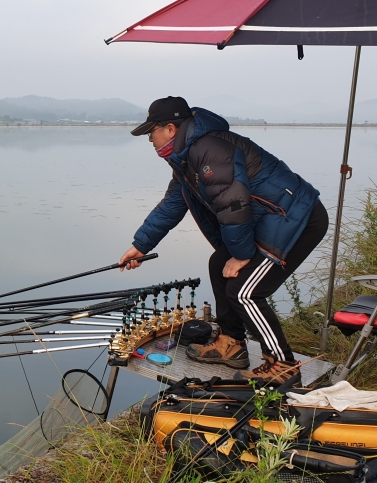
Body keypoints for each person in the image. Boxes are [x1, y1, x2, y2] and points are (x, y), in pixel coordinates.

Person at [118, 96, 328, 384]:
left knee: (245, 291)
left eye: (150, 132)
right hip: (271, 219)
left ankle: (283, 364)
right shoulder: (187, 158)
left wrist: (241, 255)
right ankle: (231, 343)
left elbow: (232, 204)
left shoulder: (208, 150)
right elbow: (172, 205)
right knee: (220, 263)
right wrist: (141, 245)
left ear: (170, 129)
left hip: (297, 219)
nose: (149, 139)